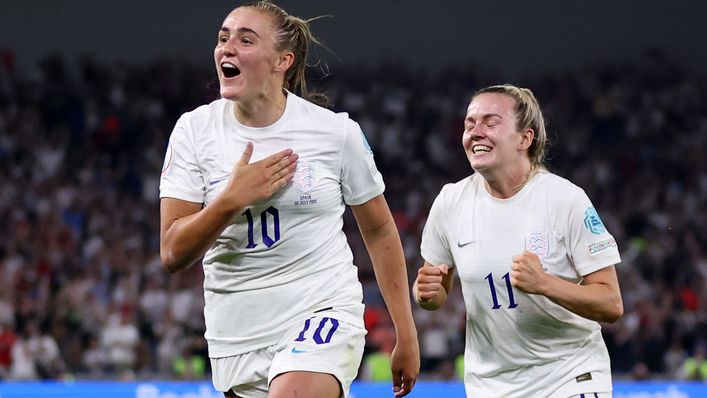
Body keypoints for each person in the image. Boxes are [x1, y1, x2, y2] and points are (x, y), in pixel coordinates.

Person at [158, 2, 419, 398]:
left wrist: (406, 330)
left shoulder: (334, 133)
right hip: (237, 332)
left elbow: (379, 227)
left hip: (320, 309)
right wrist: (231, 200)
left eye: (246, 39)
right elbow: (172, 252)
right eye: (223, 38)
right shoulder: (194, 132)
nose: (228, 48)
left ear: (283, 60)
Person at [413, 84, 623, 397]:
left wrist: (545, 283)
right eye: (470, 124)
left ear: (525, 138)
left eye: (490, 122)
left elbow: (611, 303)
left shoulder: (565, 200)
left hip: (568, 377)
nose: (476, 132)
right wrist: (425, 293)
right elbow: (434, 291)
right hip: (490, 386)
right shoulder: (450, 202)